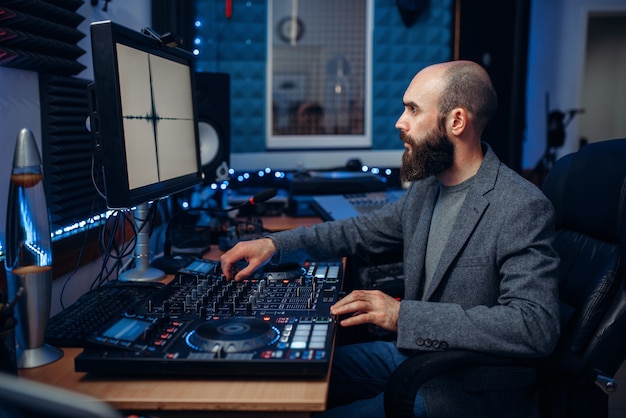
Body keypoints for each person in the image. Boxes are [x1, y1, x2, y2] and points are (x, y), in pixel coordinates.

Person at [220, 60, 560, 417]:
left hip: (468, 390)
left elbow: (534, 326)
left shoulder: (520, 206)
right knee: (286, 372)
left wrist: (402, 315)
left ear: (456, 121)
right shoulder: (429, 189)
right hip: (420, 358)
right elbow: (356, 231)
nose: (400, 121)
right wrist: (275, 244)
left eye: (413, 109)